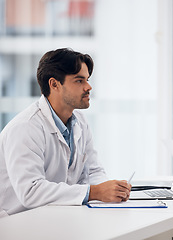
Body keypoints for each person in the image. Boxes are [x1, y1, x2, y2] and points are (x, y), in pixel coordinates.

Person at [0, 48, 131, 217]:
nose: (89, 87)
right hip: (17, 221)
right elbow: (31, 191)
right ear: (54, 84)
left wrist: (111, 191)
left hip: (55, 215)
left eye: (88, 80)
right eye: (79, 81)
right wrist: (94, 192)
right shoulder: (25, 127)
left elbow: (93, 171)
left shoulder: (80, 122)